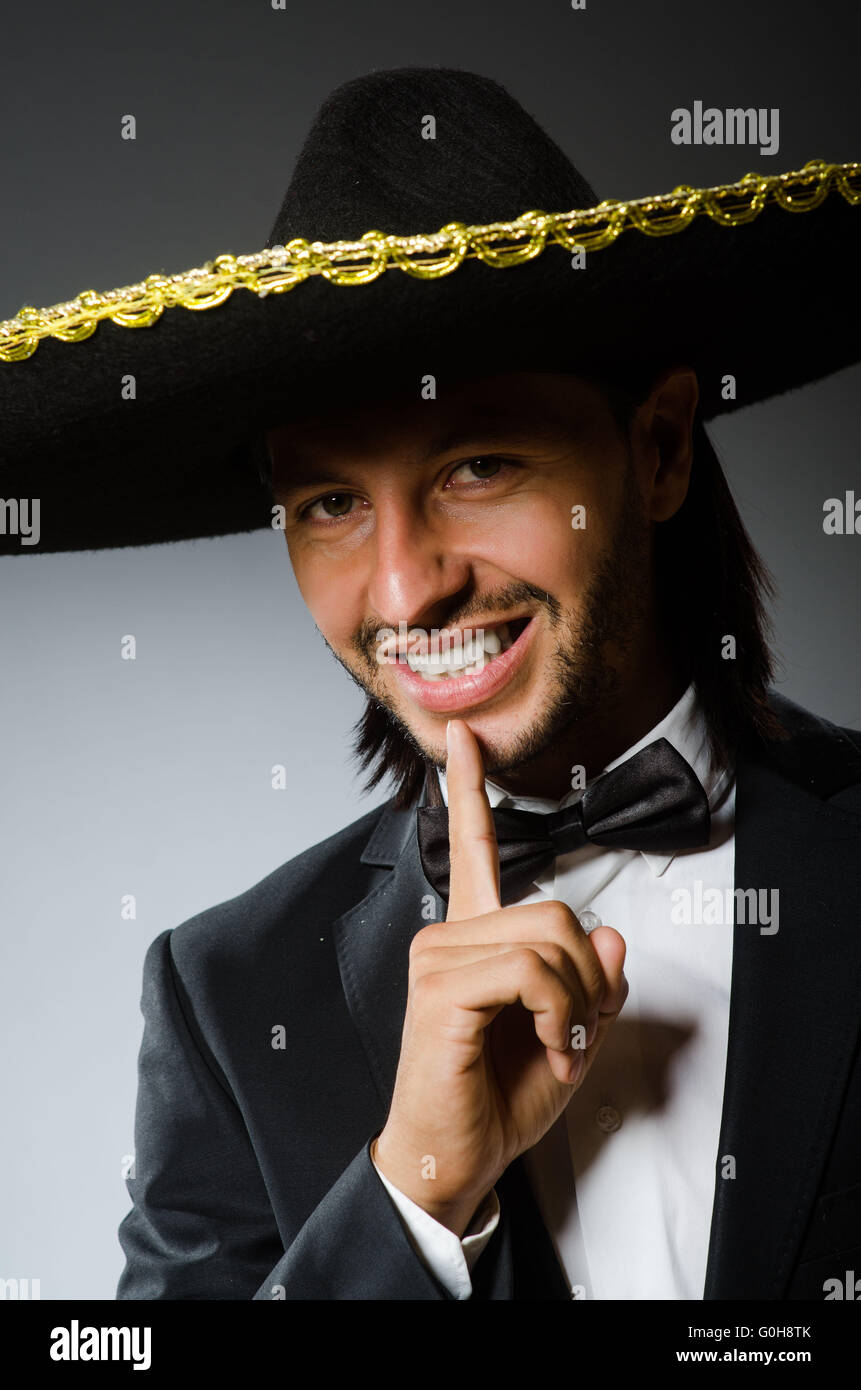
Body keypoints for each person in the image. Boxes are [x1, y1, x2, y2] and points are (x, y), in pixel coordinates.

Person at [3, 67, 859, 1299]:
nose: (406, 595)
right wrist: (412, 1195)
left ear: (660, 449)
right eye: (332, 503)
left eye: (478, 464)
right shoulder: (231, 999)